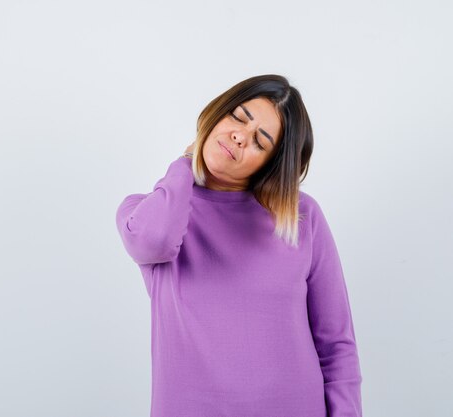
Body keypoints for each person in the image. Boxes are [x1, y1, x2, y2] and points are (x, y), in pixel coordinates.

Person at [115, 74, 363, 417]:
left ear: (270, 164)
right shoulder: (147, 212)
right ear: (218, 112)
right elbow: (153, 241)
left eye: (260, 142)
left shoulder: (302, 216)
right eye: (238, 117)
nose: (239, 137)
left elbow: (336, 345)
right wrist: (185, 162)